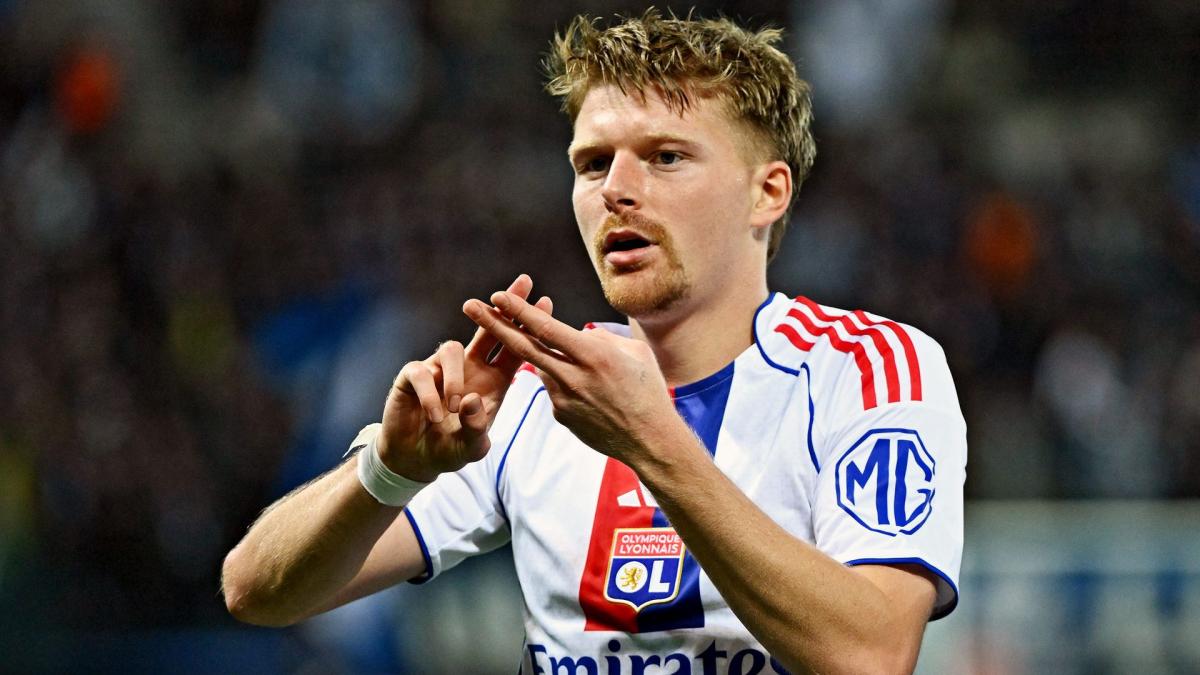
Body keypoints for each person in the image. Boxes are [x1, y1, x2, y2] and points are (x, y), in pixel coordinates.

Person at [222, 10, 966, 674]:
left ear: (765, 192)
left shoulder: (868, 371)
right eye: (593, 162)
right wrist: (389, 470)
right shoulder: (526, 396)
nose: (616, 188)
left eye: (666, 156)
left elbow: (871, 656)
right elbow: (255, 590)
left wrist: (650, 439)